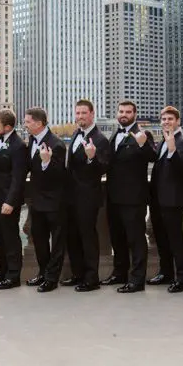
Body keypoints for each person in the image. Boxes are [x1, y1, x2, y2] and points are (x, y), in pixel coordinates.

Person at [104, 100, 155, 293]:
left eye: (128, 112)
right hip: (113, 196)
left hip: (134, 198)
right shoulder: (115, 134)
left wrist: (143, 145)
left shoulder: (144, 134)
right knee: (117, 238)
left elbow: (153, 157)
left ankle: (137, 280)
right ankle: (119, 273)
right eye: (121, 111)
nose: (124, 114)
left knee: (136, 240)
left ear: (135, 114)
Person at [63, 99, 111, 292]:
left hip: (88, 197)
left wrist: (92, 157)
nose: (80, 116)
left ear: (92, 114)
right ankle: (78, 275)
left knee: (87, 237)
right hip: (71, 196)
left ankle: (92, 279)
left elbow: (104, 168)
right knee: (73, 237)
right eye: (78, 113)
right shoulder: (76, 133)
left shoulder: (101, 140)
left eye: (84, 113)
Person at [148, 105, 183, 292]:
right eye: (164, 119)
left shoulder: (182, 143)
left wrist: (173, 149)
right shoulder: (161, 142)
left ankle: (182, 278)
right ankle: (165, 273)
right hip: (157, 199)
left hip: (173, 200)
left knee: (176, 239)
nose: (166, 122)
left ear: (178, 121)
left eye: (170, 119)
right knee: (161, 239)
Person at [24, 107, 68, 293]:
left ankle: (52, 279)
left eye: (28, 122)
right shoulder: (31, 141)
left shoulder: (57, 144)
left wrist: (46, 162)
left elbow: (59, 176)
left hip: (54, 202)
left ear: (39, 123)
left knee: (57, 243)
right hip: (36, 201)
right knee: (39, 240)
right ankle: (43, 273)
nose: (25, 125)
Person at [0, 110, 28, 290]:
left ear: (8, 127)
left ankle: (13, 276)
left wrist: (10, 201)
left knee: (11, 237)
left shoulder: (18, 146)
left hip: (8, 200)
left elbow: (18, 177)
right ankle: (1, 270)